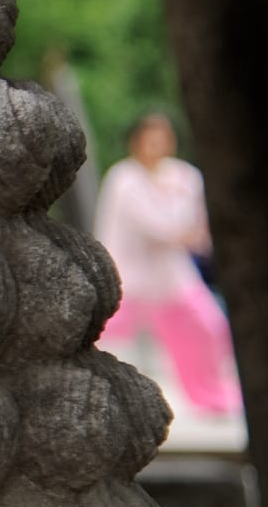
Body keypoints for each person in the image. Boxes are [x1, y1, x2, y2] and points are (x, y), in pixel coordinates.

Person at [94, 112, 242, 416]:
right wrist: (181, 230)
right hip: (128, 278)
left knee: (209, 328)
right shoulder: (123, 178)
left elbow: (197, 229)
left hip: (171, 278)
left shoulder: (186, 176)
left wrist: (184, 231)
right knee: (97, 335)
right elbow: (160, 226)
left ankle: (213, 397)